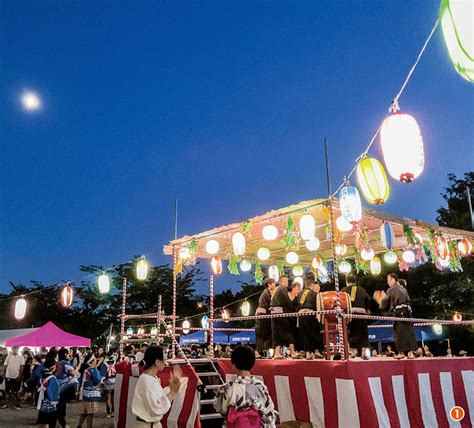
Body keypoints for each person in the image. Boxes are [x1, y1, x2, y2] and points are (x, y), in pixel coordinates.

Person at [214, 345, 277, 427]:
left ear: (233, 364)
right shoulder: (260, 386)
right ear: (252, 363)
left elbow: (220, 408)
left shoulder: (228, 388)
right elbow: (268, 411)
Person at [131, 345, 182, 427]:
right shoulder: (146, 380)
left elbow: (160, 397)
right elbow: (157, 408)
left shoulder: (151, 378)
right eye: (164, 359)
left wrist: (170, 388)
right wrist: (172, 391)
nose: (165, 362)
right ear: (157, 362)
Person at [376, 273, 417, 359]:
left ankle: (401, 352)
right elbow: (408, 301)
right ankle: (411, 353)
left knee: (398, 332)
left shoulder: (391, 289)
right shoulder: (403, 289)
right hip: (407, 312)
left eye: (388, 280)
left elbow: (385, 303)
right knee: (409, 332)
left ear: (393, 279)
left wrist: (381, 301)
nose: (388, 282)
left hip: (398, 312)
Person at [342, 274, 371, 359]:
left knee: (352, 332)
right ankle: (364, 352)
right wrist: (367, 309)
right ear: (356, 281)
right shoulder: (362, 290)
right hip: (362, 313)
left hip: (350, 314)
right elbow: (368, 300)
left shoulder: (344, 290)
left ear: (347, 281)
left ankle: (353, 351)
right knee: (363, 333)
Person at [296, 274, 323, 359]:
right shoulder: (314, 294)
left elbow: (295, 304)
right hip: (310, 314)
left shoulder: (299, 294)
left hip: (301, 315)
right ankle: (315, 351)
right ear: (312, 285)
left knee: (304, 334)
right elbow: (318, 306)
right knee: (313, 333)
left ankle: (308, 353)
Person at [270, 276, 297, 359]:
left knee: (276, 334)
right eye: (286, 281)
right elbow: (286, 301)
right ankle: (292, 352)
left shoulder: (276, 289)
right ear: (282, 281)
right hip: (280, 312)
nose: (287, 283)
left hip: (273, 312)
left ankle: (277, 353)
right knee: (287, 331)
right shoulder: (282, 288)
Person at [55, 348, 79, 428]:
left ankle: (56, 421)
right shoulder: (65, 363)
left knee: (57, 404)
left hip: (57, 385)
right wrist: (79, 365)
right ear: (65, 354)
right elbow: (73, 372)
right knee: (62, 405)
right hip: (64, 387)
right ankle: (63, 422)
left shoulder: (57, 363)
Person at [78, 355, 101, 428]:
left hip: (85, 393)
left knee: (85, 411)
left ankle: (79, 425)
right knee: (90, 413)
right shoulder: (92, 369)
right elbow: (97, 380)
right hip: (92, 394)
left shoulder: (86, 370)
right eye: (94, 359)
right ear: (91, 361)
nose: (96, 360)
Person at [255, 278, 277, 358]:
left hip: (263, 314)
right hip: (262, 314)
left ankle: (264, 352)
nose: (275, 285)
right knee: (262, 333)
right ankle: (257, 352)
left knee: (265, 333)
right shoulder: (266, 293)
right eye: (273, 284)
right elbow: (271, 303)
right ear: (269, 285)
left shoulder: (268, 292)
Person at [36, 359, 60, 428]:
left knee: (44, 423)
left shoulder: (42, 378)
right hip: (51, 405)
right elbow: (54, 392)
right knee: (50, 423)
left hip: (43, 404)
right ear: (53, 368)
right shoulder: (53, 378)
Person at [3, 345, 24, 410]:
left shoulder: (21, 357)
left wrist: (19, 375)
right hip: (8, 375)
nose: (15, 350)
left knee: (15, 391)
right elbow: (5, 366)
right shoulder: (8, 356)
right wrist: (4, 375)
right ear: (12, 349)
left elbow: (22, 366)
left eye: (16, 349)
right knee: (7, 390)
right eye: (14, 349)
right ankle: (6, 404)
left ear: (18, 349)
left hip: (16, 376)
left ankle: (15, 404)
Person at [100, 350, 117, 418]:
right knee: (114, 397)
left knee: (108, 397)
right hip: (115, 380)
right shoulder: (116, 363)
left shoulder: (104, 364)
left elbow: (103, 375)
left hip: (108, 381)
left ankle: (108, 413)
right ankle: (113, 412)